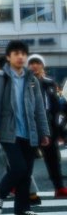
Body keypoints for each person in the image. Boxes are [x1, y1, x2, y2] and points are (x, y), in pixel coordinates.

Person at [0, 41, 50, 215]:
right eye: (16, 53)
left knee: (26, 172)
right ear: (9, 57)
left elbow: (39, 108)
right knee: (19, 167)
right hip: (9, 132)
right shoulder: (1, 77)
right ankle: (0, 193)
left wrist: (43, 132)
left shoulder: (32, 79)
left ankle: (21, 210)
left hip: (29, 132)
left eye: (23, 53)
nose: (20, 56)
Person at [27, 54, 67, 198]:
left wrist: (61, 130)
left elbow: (57, 107)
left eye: (37, 63)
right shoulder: (24, 82)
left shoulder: (50, 83)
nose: (34, 66)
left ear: (42, 66)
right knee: (27, 159)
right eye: (31, 63)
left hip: (49, 124)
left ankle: (59, 188)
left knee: (52, 158)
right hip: (30, 124)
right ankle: (22, 188)